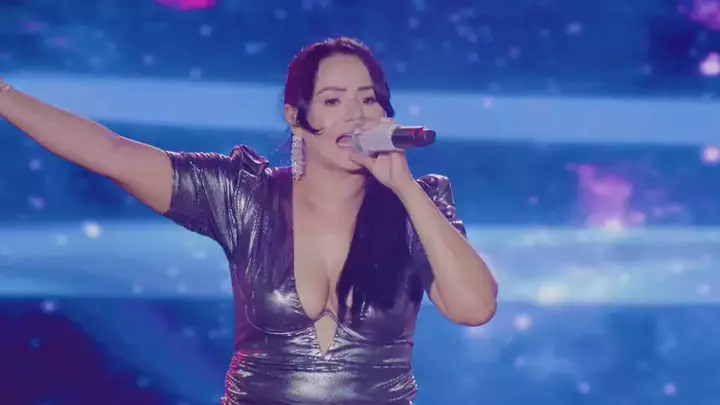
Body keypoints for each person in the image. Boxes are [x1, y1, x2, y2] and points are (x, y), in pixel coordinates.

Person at [0, 37, 497, 404]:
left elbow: (474, 308)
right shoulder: (244, 196)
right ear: (295, 116)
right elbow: (113, 153)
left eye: (368, 99)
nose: (355, 115)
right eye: (333, 100)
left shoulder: (417, 204)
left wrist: (405, 187)